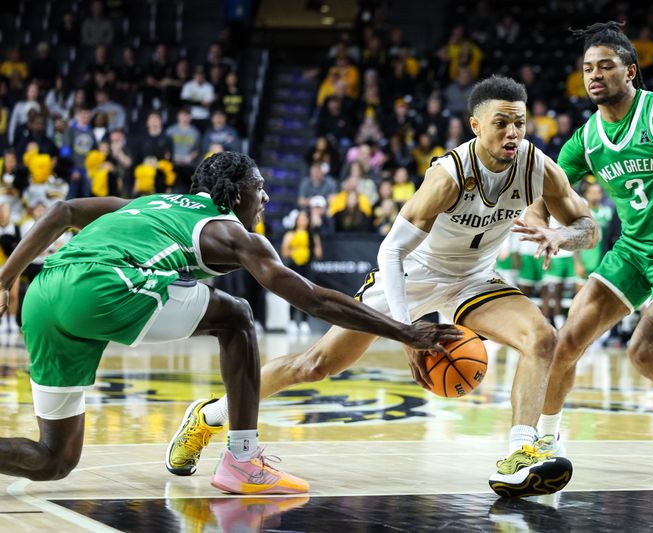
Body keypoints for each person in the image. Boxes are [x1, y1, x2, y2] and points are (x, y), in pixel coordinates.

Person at [167, 76, 598, 498]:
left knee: (543, 339)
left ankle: (522, 453)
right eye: (502, 122)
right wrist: (406, 330)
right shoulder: (450, 176)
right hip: (412, 275)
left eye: (520, 123)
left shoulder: (538, 168)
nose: (513, 133)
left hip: (474, 278)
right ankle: (211, 415)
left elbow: (588, 227)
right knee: (316, 364)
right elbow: (391, 253)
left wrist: (563, 237)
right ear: (475, 125)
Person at [0, 151, 460, 495]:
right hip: (102, 286)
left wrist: (6, 278)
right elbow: (314, 298)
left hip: (42, 297)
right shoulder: (229, 231)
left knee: (54, 459)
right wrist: (404, 331)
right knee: (238, 317)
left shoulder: (151, 204)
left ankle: (233, 451)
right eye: (258, 186)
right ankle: (241, 459)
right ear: (234, 192)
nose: (264, 196)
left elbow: (63, 213)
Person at [523, 22, 653, 465]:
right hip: (632, 251)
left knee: (643, 354)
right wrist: (543, 225)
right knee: (566, 342)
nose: (594, 75)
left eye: (605, 66)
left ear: (630, 71)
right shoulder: (587, 139)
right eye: (587, 69)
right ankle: (546, 441)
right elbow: (549, 189)